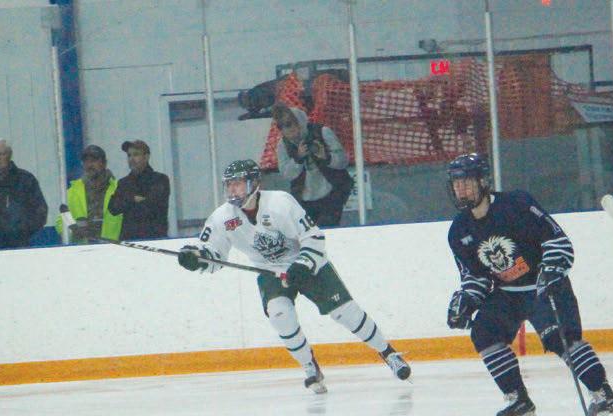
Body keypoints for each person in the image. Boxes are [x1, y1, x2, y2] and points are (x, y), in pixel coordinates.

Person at [176, 159, 410, 393]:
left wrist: (303, 265)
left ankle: (389, 353)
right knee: (279, 314)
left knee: (345, 313)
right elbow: (212, 254)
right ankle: (310, 368)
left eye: (237, 184)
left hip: (307, 264)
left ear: (254, 184)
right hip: (270, 271)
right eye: (229, 185)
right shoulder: (222, 217)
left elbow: (313, 237)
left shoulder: (280, 203)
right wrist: (196, 258)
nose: (232, 190)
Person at [443, 153, 613, 416]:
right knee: (484, 332)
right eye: (457, 184)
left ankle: (605, 397)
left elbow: (557, 240)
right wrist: (468, 299)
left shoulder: (517, 204)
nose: (461, 189)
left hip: (543, 286)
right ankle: (519, 401)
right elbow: (476, 276)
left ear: (483, 182)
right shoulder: (458, 231)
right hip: (508, 293)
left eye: (467, 182)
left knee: (560, 339)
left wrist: (552, 267)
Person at [273, 104, 352, 227]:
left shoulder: (322, 132)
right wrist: (298, 159)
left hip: (332, 192)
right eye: (280, 126)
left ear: (299, 122)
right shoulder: (283, 145)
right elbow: (286, 174)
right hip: (305, 198)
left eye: (288, 124)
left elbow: (343, 161)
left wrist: (326, 157)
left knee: (328, 228)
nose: (286, 129)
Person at [56, 144, 121, 243]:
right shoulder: (72, 192)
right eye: (86, 161)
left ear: (104, 163)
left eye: (93, 160)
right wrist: (73, 231)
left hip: (114, 247)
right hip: (84, 249)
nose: (89, 165)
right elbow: (61, 221)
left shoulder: (119, 189)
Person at [109, 140, 170, 239]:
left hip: (155, 240)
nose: (131, 159)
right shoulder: (123, 182)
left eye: (136, 154)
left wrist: (126, 201)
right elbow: (113, 208)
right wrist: (133, 199)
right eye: (129, 155)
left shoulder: (160, 179)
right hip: (129, 241)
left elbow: (152, 207)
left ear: (146, 157)